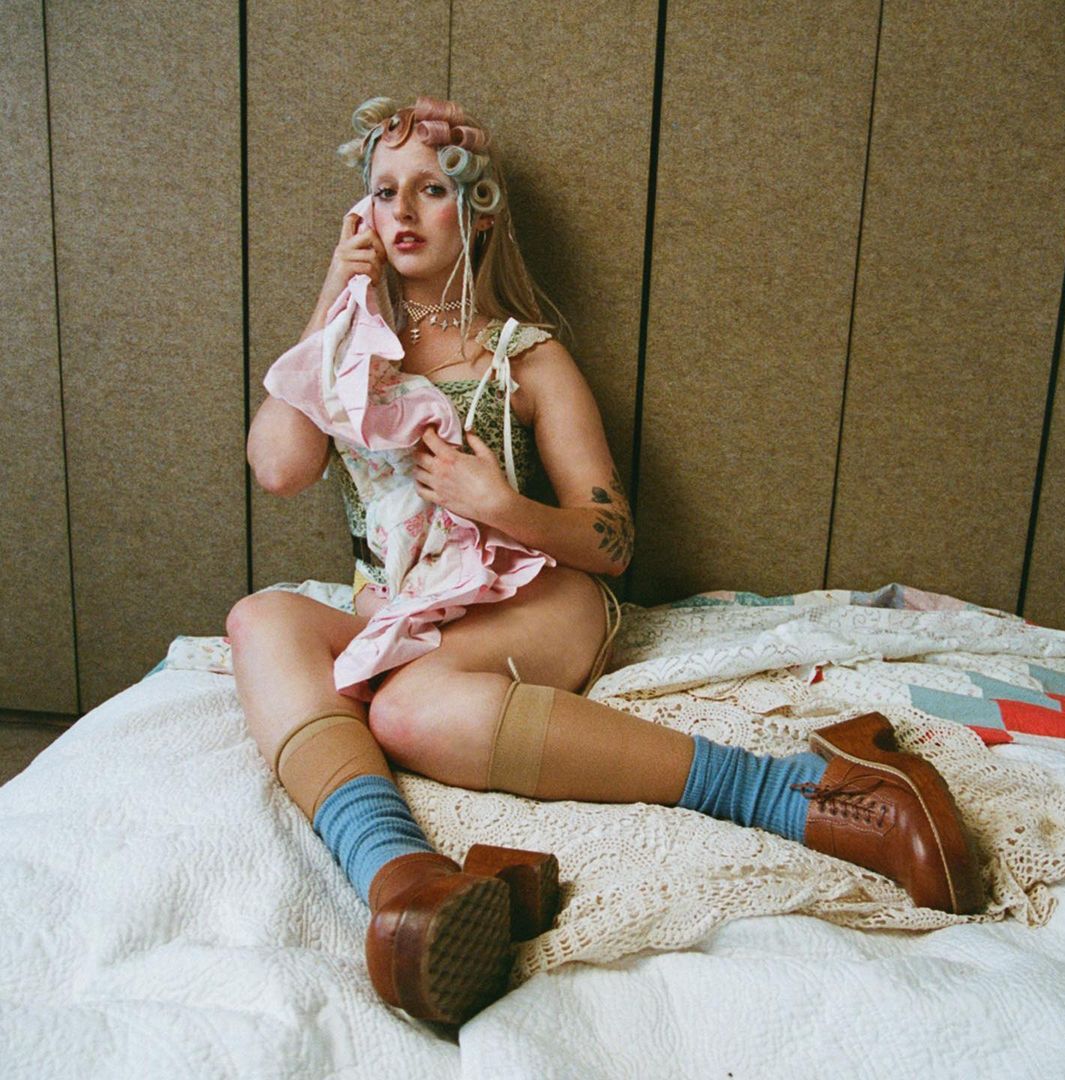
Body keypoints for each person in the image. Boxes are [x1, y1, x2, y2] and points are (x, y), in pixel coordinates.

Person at [229, 96, 984, 1026]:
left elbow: (609, 538)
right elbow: (279, 466)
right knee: (260, 619)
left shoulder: (526, 357)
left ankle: (809, 791)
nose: (405, 213)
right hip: (400, 612)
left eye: (432, 189)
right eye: (385, 193)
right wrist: (331, 296)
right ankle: (410, 882)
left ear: (478, 211)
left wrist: (501, 505)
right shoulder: (351, 356)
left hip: (539, 599)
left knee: (407, 711)